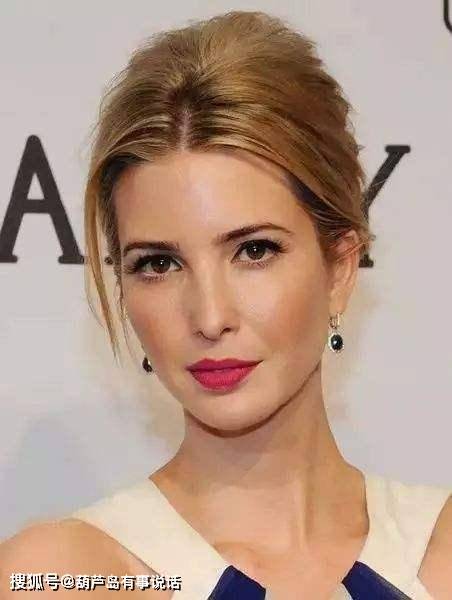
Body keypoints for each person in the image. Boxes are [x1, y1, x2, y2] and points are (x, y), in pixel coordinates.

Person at [1, 10, 451, 600]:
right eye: (159, 264)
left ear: (340, 269)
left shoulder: (442, 553)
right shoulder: (62, 578)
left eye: (254, 251)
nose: (210, 318)